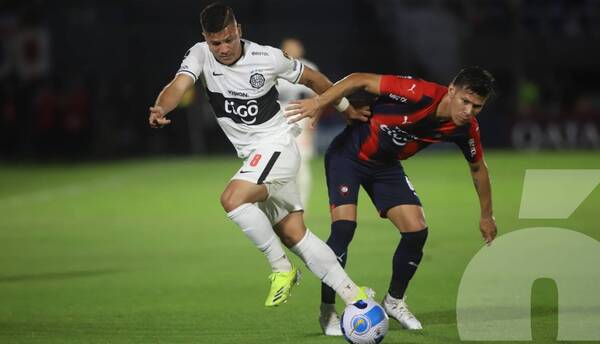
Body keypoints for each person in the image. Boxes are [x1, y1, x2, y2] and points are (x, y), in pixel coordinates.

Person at [147, 2, 372, 310]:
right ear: (205, 38)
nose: (223, 48)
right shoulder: (199, 54)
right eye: (216, 43)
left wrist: (345, 109)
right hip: (256, 156)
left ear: (238, 30)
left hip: (277, 146)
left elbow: (314, 79)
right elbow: (178, 85)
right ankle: (356, 298)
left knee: (232, 198)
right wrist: (162, 107)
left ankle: (281, 269)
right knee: (296, 235)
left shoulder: (267, 57)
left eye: (229, 39)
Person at [286, 67, 498, 335]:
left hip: (385, 166)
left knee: (416, 230)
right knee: (343, 229)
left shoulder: (466, 130)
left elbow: (479, 168)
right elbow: (359, 79)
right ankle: (327, 311)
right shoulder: (417, 93)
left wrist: (486, 215)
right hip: (348, 156)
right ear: (451, 90)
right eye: (465, 101)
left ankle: (394, 301)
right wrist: (320, 101)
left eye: (477, 107)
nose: (468, 111)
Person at [276, 38, 317, 208]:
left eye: (294, 47)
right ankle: (283, 204)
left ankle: (302, 205)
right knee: (280, 162)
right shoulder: (275, 69)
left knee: (302, 162)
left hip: (301, 116)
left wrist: (313, 121)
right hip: (278, 118)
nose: (292, 50)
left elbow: (316, 98)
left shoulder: (309, 67)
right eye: (288, 47)